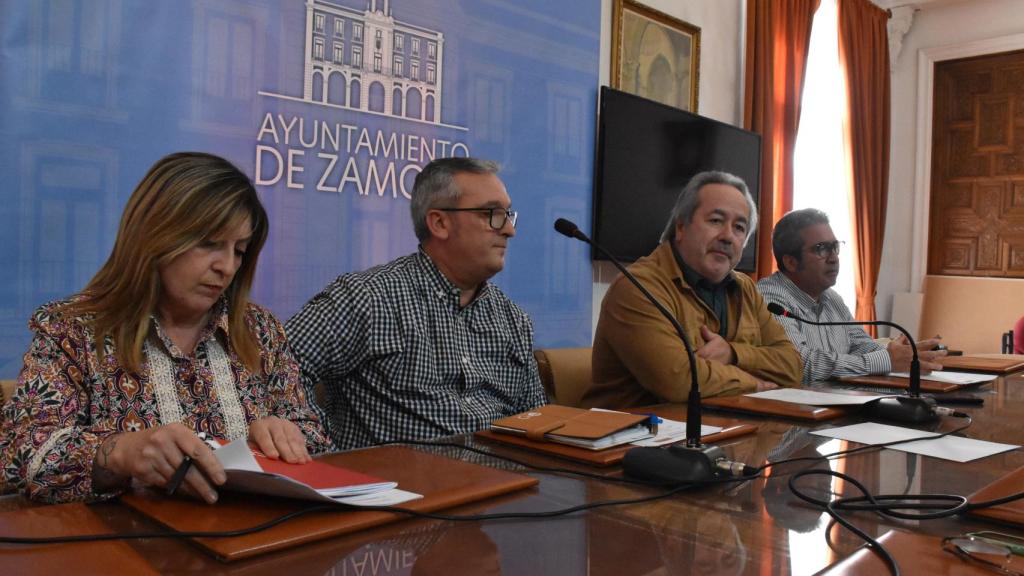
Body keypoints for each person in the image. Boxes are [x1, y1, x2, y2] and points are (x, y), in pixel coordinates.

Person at [0, 152, 333, 504]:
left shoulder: (259, 330)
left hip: (248, 543)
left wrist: (287, 436)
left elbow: (316, 435)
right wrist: (119, 452)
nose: (227, 267)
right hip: (126, 550)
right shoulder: (72, 331)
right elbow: (20, 455)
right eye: (209, 244)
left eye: (240, 250)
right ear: (155, 235)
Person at [286, 157, 546, 450]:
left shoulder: (513, 319)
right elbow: (273, 366)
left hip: (502, 482)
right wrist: (318, 450)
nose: (509, 230)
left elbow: (533, 421)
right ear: (439, 223)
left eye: (508, 215)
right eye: (492, 214)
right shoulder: (367, 298)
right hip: (400, 486)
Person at [584, 171, 802, 409]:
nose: (728, 236)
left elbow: (792, 366)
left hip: (727, 431)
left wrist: (733, 353)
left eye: (739, 227)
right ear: (681, 227)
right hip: (638, 438)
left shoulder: (745, 288)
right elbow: (679, 380)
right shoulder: (638, 286)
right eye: (716, 221)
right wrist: (756, 385)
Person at [756, 208, 945, 384]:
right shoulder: (770, 298)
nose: (833, 258)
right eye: (821, 248)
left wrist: (904, 354)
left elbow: (860, 344)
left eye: (834, 247)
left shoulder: (831, 298)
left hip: (836, 402)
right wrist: (886, 360)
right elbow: (801, 363)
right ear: (790, 262)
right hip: (795, 410)